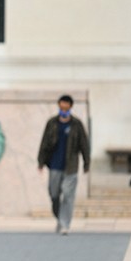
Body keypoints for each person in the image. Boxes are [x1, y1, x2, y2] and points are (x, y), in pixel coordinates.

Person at [37, 95, 90, 235]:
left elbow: (84, 144)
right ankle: (60, 219)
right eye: (62, 105)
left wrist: (86, 162)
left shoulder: (76, 125)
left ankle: (65, 224)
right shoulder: (52, 123)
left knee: (68, 194)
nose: (64, 108)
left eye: (66, 106)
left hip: (71, 166)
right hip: (54, 165)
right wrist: (41, 161)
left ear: (71, 106)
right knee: (54, 194)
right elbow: (44, 142)